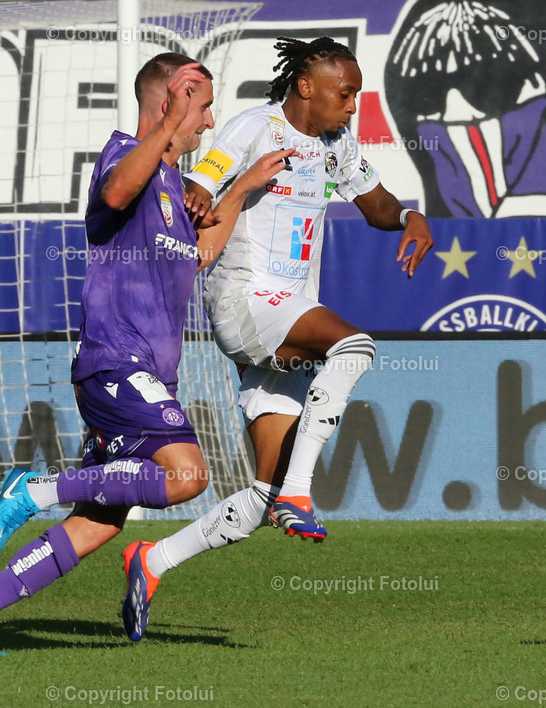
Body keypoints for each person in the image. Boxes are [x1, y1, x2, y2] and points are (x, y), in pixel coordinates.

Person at [0, 52, 294, 655]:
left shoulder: (173, 185)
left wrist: (247, 184)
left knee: (96, 524)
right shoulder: (125, 153)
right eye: (199, 107)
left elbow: (200, 252)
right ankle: (34, 490)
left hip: (146, 373)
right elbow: (121, 187)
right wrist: (166, 124)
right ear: (168, 100)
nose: (207, 123)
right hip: (116, 362)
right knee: (187, 476)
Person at [118, 36, 435, 642]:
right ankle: (301, 492)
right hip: (245, 300)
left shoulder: (336, 142)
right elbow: (203, 185)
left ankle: (150, 562)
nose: (353, 107)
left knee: (259, 497)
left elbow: (373, 204)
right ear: (307, 88)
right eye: (346, 95)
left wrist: (407, 217)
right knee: (355, 347)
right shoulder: (250, 129)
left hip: (287, 316)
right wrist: (206, 192)